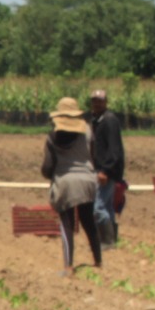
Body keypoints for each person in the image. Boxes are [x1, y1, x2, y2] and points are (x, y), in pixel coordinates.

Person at [41, 97, 102, 276]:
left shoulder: (52, 137)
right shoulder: (88, 131)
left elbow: (48, 166)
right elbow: (94, 156)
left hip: (66, 182)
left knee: (67, 224)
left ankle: (68, 266)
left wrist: (50, 175)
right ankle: (98, 261)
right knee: (88, 221)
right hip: (87, 181)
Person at [85, 89, 125, 246]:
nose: (97, 104)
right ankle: (110, 240)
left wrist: (105, 171)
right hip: (102, 168)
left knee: (98, 208)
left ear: (106, 102)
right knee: (107, 206)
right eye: (95, 101)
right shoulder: (97, 120)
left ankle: (107, 241)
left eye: (100, 101)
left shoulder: (109, 120)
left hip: (107, 170)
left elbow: (114, 149)